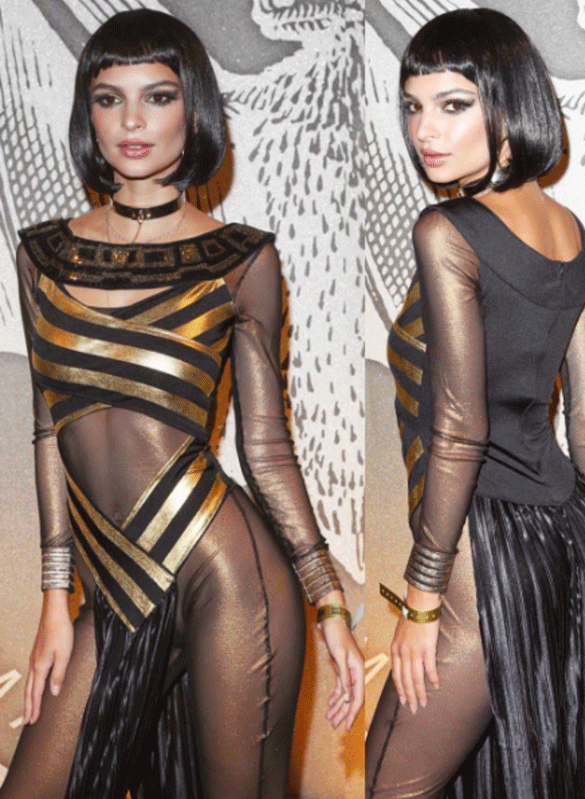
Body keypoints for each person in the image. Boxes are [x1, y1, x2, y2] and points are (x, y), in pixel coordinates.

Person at [3, 9, 363, 799]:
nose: (131, 121)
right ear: (88, 114)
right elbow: (48, 426)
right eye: (109, 98)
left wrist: (328, 599)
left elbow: (266, 448)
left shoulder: (242, 259)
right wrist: (56, 600)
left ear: (192, 109)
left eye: (157, 96)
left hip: (226, 574)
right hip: (115, 579)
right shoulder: (41, 255)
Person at [366, 9, 585, 798]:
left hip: (478, 552)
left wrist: (422, 600)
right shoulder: (569, 232)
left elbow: (459, 431)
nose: (425, 130)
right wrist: (580, 564)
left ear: (511, 106)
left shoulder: (447, 229)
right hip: (574, 538)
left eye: (453, 105)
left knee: (391, 784)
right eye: (414, 106)